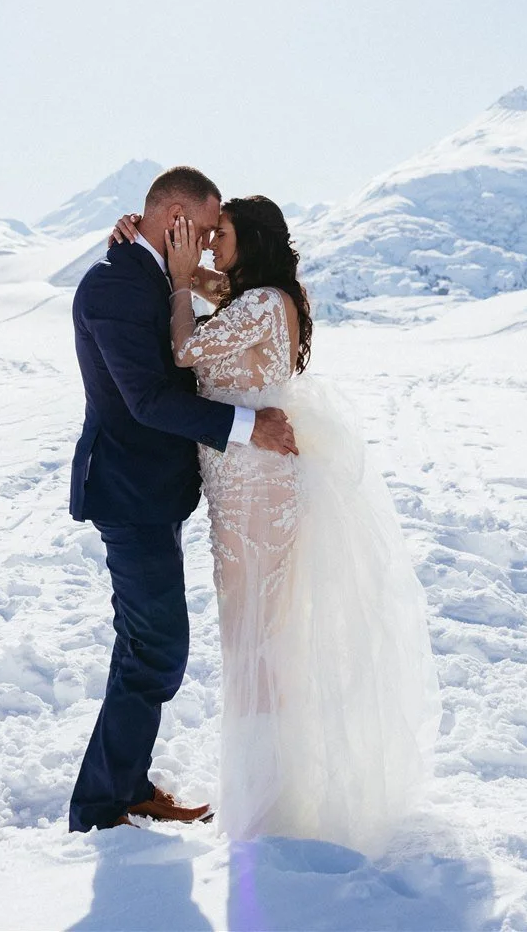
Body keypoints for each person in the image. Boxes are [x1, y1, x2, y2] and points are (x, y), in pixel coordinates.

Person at [120, 194, 439, 857]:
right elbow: (205, 284)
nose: (212, 248)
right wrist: (157, 250)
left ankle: (268, 807)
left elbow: (185, 349)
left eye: (223, 234)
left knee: (258, 639)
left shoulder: (263, 303)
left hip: (258, 489)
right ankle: (263, 792)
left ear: (255, 239)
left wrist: (180, 282)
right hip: (242, 487)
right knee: (254, 637)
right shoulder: (258, 296)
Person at [66, 166, 299, 834]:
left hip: (157, 491)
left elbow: (234, 297)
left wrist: (182, 274)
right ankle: (101, 806)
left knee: (142, 643)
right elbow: (145, 398)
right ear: (174, 218)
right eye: (202, 227)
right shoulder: (116, 284)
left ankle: (122, 786)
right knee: (158, 650)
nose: (204, 245)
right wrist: (250, 427)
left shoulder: (151, 274)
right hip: (129, 492)